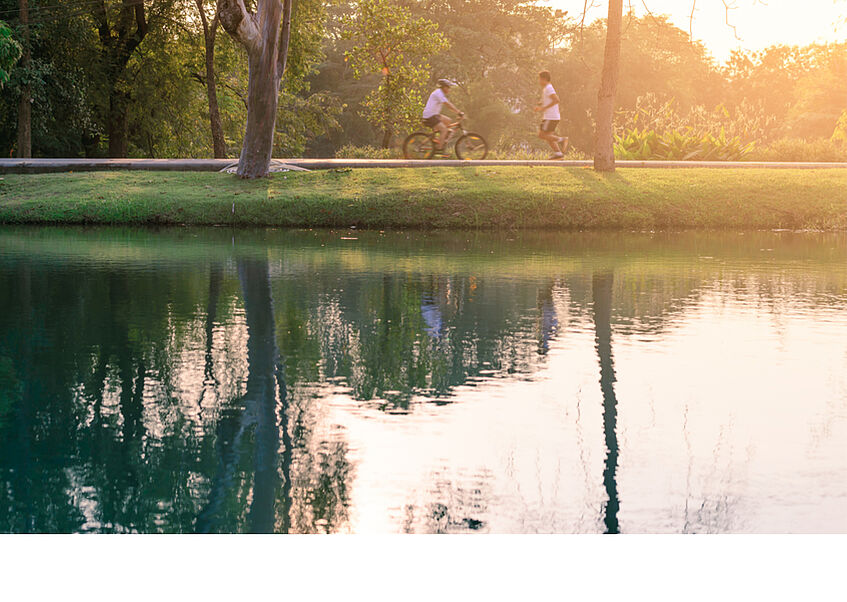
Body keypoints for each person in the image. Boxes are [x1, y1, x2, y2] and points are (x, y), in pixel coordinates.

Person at [422, 79, 464, 153]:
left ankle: (438, 139)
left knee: (448, 121)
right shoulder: (439, 93)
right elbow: (448, 104)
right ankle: (439, 148)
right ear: (444, 87)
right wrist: (458, 112)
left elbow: (448, 104)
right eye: (448, 87)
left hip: (434, 115)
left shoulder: (440, 93)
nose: (449, 89)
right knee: (444, 130)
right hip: (430, 116)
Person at [534, 70, 568, 160]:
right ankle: (558, 154)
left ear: (544, 79)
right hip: (552, 117)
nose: (539, 81)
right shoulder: (547, 88)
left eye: (540, 79)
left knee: (541, 135)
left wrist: (543, 108)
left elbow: (556, 100)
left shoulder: (549, 88)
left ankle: (562, 140)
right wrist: (541, 104)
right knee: (549, 137)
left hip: (550, 117)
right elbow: (549, 100)